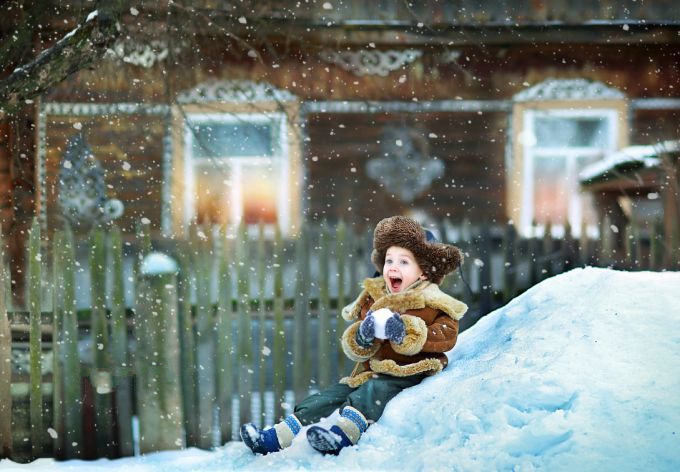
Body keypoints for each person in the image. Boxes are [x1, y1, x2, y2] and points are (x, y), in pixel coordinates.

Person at [240, 215, 467, 455]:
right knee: (328, 396)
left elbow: (446, 335)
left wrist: (404, 332)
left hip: (409, 372)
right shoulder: (376, 299)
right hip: (371, 372)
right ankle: (275, 437)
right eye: (389, 260)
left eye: (403, 262)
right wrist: (363, 336)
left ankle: (342, 436)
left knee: (371, 393)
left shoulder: (435, 303)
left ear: (424, 272)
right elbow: (359, 345)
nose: (393, 267)